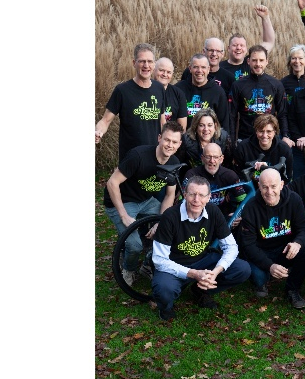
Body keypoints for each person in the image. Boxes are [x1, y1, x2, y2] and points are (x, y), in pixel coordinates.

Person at [151, 176, 251, 321]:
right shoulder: (170, 216)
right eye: (192, 194)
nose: (196, 200)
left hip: (203, 260)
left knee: (242, 269)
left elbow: (231, 247)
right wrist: (193, 274)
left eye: (202, 195)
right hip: (175, 264)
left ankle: (200, 290)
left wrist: (215, 272)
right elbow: (159, 260)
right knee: (164, 288)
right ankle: (166, 308)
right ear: (185, 194)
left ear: (209, 197)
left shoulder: (213, 211)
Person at [103, 121, 184, 286]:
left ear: (179, 144)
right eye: (167, 140)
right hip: (122, 201)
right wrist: (124, 215)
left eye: (174, 142)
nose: (170, 145)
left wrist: (160, 221)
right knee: (134, 245)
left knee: (170, 226)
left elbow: (170, 195)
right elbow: (112, 183)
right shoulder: (138, 156)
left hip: (146, 201)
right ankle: (128, 269)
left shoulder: (174, 161)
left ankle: (147, 264)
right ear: (159, 138)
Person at [238, 168, 305, 309]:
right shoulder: (251, 207)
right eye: (264, 187)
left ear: (281, 185)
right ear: (259, 186)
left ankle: (292, 289)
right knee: (260, 278)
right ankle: (265, 278)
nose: (269, 191)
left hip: (285, 249)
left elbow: (304, 228)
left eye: (273, 186)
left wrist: (297, 243)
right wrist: (269, 265)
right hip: (261, 251)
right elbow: (248, 244)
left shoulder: (294, 200)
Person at [95, 43, 166, 162]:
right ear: (134, 63)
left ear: (154, 64)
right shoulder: (122, 90)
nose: (146, 65)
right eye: (142, 61)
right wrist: (98, 131)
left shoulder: (159, 88)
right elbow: (105, 120)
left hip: (154, 155)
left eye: (149, 61)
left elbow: (162, 121)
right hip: (130, 158)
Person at [228, 45, 288, 145]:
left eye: (261, 60)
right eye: (254, 60)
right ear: (248, 61)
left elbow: (282, 113)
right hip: (246, 139)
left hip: (269, 139)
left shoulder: (276, 85)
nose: (258, 64)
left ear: (266, 61)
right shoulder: (238, 85)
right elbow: (232, 115)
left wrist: (285, 135)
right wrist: (232, 140)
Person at [181, 143, 246, 222]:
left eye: (215, 157)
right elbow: (182, 201)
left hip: (223, 218)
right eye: (208, 157)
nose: (212, 161)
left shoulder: (230, 175)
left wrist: (237, 215)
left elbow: (243, 200)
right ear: (202, 158)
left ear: (221, 159)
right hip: (197, 217)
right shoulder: (191, 174)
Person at [175, 53, 230, 133]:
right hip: (184, 138)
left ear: (208, 69)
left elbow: (224, 123)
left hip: (209, 138)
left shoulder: (218, 92)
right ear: (190, 69)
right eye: (195, 67)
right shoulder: (178, 89)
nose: (199, 71)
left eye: (203, 67)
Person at [220, 5, 276, 81]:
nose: (238, 48)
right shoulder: (220, 67)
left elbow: (269, 42)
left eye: (242, 45)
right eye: (235, 45)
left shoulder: (251, 62)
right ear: (228, 48)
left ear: (246, 49)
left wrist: (265, 17)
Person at [232, 114, 293, 184]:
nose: (264, 135)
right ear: (256, 131)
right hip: (250, 187)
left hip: (275, 188)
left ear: (275, 132)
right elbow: (237, 175)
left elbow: (287, 178)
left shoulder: (284, 149)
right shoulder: (243, 147)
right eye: (261, 131)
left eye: (269, 131)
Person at [175, 108, 233, 178]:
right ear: (196, 126)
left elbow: (228, 164)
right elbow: (179, 165)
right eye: (201, 125)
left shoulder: (223, 138)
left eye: (209, 125)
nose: (206, 129)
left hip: (218, 178)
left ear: (215, 126)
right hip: (193, 178)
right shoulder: (186, 140)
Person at [153, 57, 188, 132]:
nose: (165, 74)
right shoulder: (145, 90)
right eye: (161, 70)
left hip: (171, 137)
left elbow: (182, 128)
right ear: (154, 69)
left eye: (169, 72)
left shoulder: (178, 94)